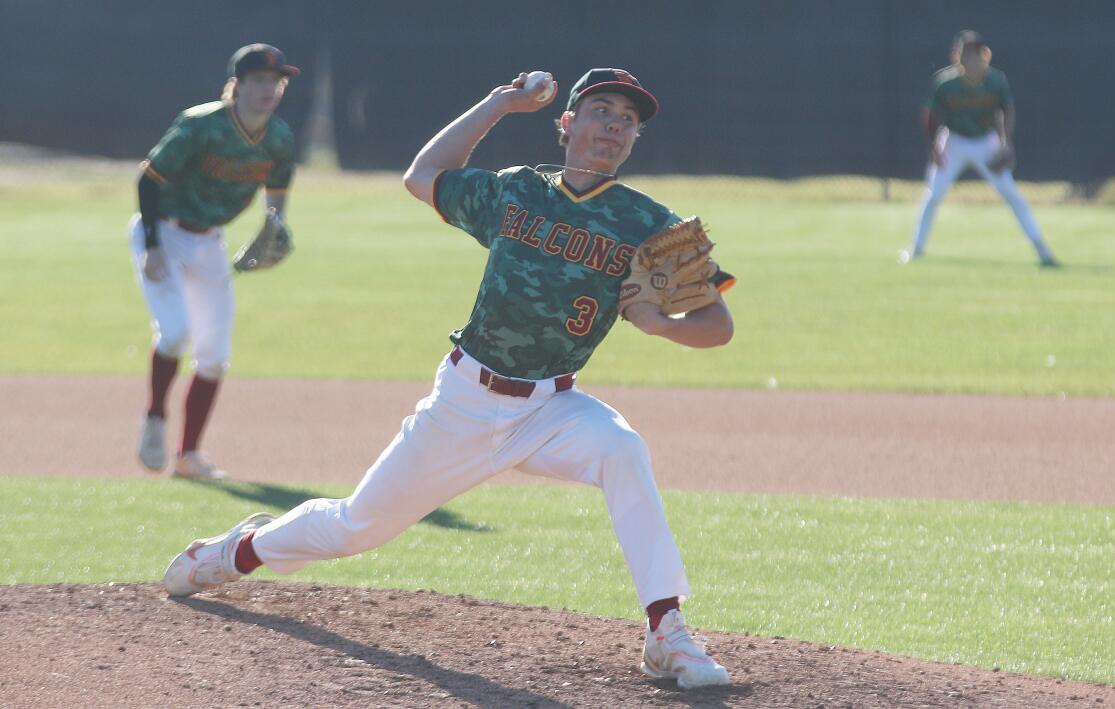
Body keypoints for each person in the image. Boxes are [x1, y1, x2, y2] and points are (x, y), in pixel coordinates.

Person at [162, 68, 736, 689]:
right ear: (567, 125)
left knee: (622, 448)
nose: (615, 126)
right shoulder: (517, 191)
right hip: (465, 401)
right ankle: (232, 554)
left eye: (628, 120)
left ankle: (666, 630)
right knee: (356, 527)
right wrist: (498, 103)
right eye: (602, 110)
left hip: (551, 411)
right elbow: (422, 176)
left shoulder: (651, 223)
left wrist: (660, 324)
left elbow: (717, 324)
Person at [132, 44, 299, 480]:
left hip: (210, 243)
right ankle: (154, 417)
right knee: (174, 332)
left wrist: (274, 229)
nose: (270, 89)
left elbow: (276, 201)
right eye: (260, 80)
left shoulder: (279, 138)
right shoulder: (201, 125)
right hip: (163, 232)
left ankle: (188, 457)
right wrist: (151, 245)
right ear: (237, 85)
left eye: (276, 81)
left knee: (214, 355)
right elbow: (148, 180)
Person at [903, 31, 1058, 267]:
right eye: (964, 54)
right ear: (956, 56)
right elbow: (930, 115)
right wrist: (934, 146)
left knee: (1011, 194)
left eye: (973, 54)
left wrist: (1005, 143)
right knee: (933, 194)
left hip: (985, 142)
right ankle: (916, 248)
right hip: (953, 141)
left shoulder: (996, 81)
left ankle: (1042, 250)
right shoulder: (945, 83)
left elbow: (1007, 110)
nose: (968, 59)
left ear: (985, 55)